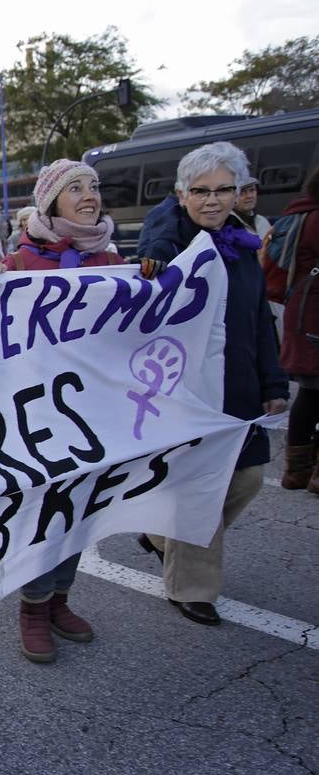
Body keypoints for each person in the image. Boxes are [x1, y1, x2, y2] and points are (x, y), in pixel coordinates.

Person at [136, 141, 289, 625]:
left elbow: (260, 321)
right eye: (200, 191)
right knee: (199, 487)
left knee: (246, 478)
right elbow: (157, 238)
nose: (212, 200)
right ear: (182, 194)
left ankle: (162, 536)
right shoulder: (173, 238)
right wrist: (157, 255)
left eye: (223, 190)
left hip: (239, 388)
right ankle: (193, 586)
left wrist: (275, 381)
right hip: (186, 393)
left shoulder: (243, 246)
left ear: (239, 192)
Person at [1, 159, 126, 662]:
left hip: (95, 410)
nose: (89, 194)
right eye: (75, 187)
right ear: (52, 199)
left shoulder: (111, 258)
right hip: (40, 416)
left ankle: (59, 601)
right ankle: (32, 608)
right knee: (46, 513)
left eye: (93, 186)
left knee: (82, 510)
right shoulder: (21, 263)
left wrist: (148, 279)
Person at [275, 167, 319, 494]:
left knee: (310, 391)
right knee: (311, 391)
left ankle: (298, 469)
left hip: (303, 312)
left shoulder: (302, 213)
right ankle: (308, 472)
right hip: (312, 314)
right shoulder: (315, 219)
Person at [235, 176, 271, 242]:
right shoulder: (227, 224)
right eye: (242, 192)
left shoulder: (262, 221)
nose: (249, 196)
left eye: (252, 190)